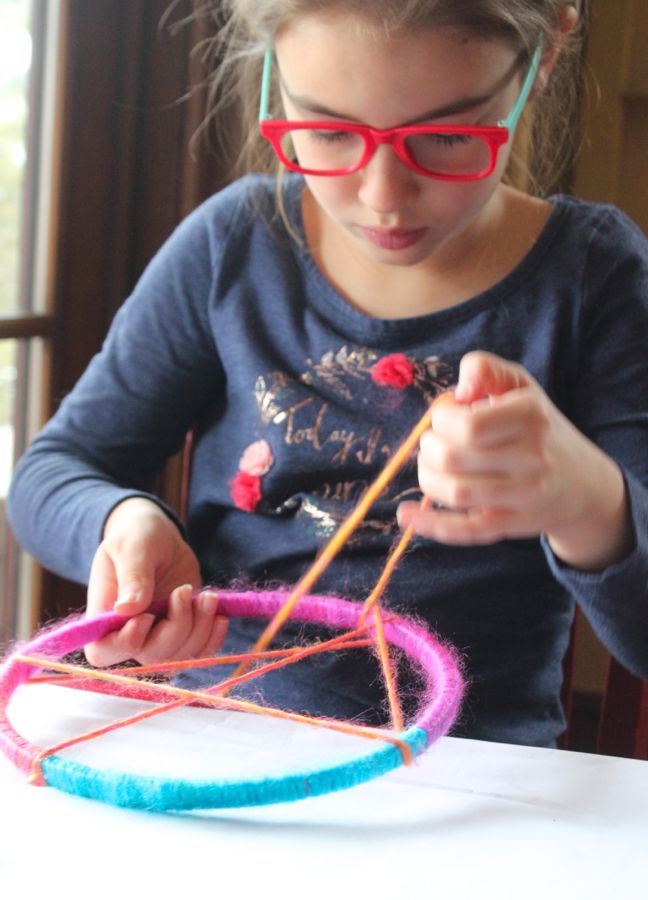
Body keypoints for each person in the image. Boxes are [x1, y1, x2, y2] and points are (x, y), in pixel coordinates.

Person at [8, 0, 648, 747]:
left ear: (545, 57)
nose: (383, 197)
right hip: (220, 745)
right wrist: (122, 524)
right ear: (274, 75)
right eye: (328, 130)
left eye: (446, 135)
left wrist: (591, 507)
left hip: (470, 781)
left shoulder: (592, 280)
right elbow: (53, 471)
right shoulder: (233, 250)